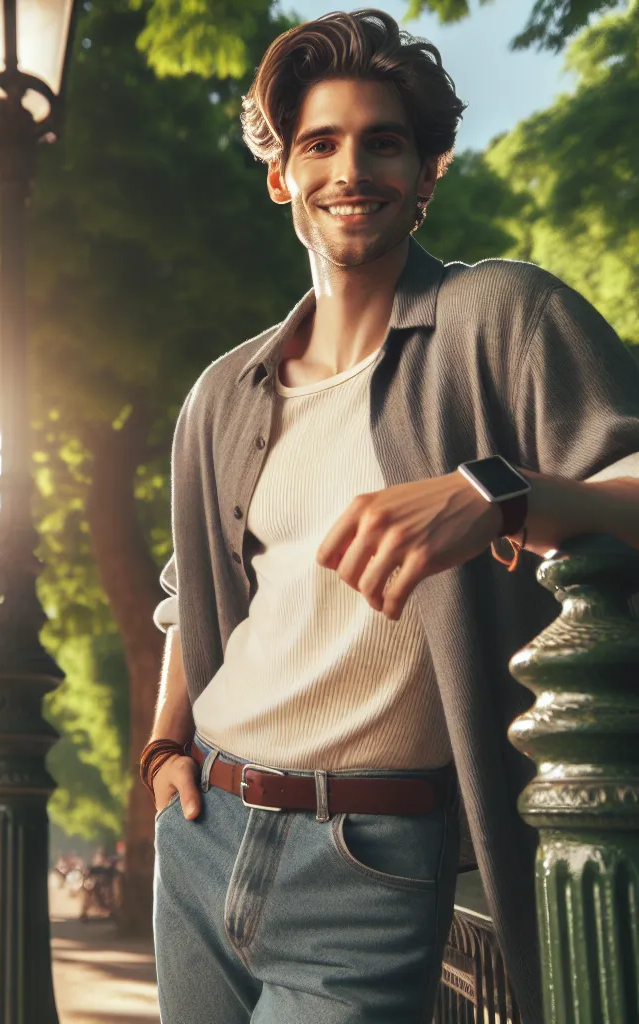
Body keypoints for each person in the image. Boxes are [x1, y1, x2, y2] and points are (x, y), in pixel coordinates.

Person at [144, 11, 639, 1024]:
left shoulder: (501, 319)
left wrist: (498, 495)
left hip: (371, 863)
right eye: (317, 143)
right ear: (281, 175)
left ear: (427, 174)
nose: (349, 167)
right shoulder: (221, 394)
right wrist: (161, 751)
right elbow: (189, 596)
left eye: (383, 141)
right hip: (202, 838)